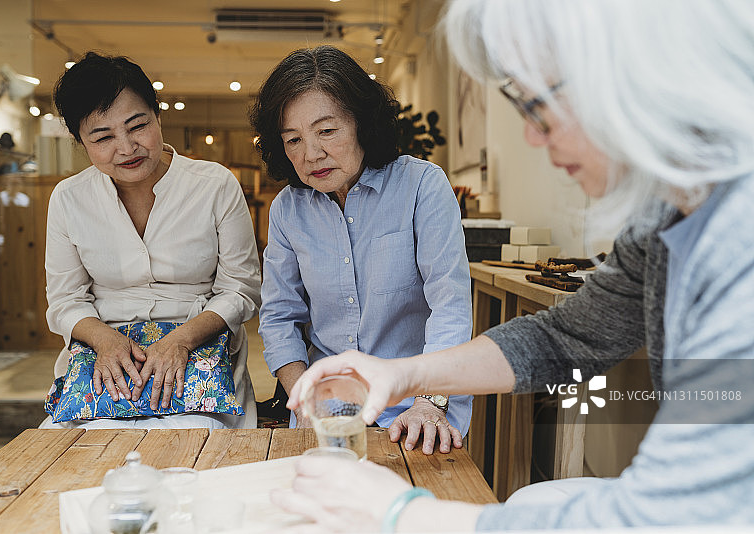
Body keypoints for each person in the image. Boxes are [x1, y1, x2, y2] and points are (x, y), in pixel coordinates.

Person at [272, 0, 754, 530]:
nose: (529, 135)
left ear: (630, 75)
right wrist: (406, 374)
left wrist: (399, 512)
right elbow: (562, 339)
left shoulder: (737, 245)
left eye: (541, 103)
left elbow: (671, 514)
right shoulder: (664, 224)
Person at [250, 45, 473, 454]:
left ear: (362, 124)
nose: (311, 154)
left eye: (327, 131)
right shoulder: (287, 209)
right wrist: (302, 401)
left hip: (418, 403)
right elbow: (279, 316)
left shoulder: (422, 186)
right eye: (293, 139)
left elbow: (450, 305)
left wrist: (429, 403)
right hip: (328, 408)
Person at [40, 52, 261, 430]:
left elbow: (241, 289)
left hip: (198, 346)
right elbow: (65, 300)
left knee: (194, 437)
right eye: (103, 136)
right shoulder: (68, 197)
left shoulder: (214, 184)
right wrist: (105, 341)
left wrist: (181, 341)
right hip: (104, 352)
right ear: (81, 141)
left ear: (158, 116)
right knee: (86, 447)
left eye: (137, 126)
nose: (126, 148)